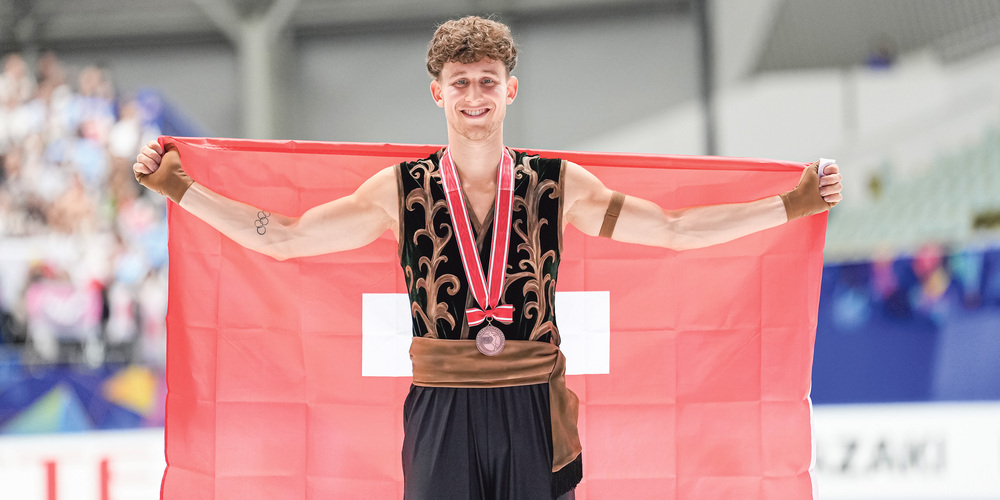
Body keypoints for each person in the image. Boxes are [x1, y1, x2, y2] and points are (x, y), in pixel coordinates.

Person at [133, 15, 843, 500]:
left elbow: (677, 230)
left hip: (532, 405)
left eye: (487, 81)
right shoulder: (399, 191)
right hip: (442, 406)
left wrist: (791, 204)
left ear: (510, 88)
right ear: (437, 91)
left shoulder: (556, 185)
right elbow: (281, 237)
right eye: (461, 82)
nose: (474, 96)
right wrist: (182, 190)